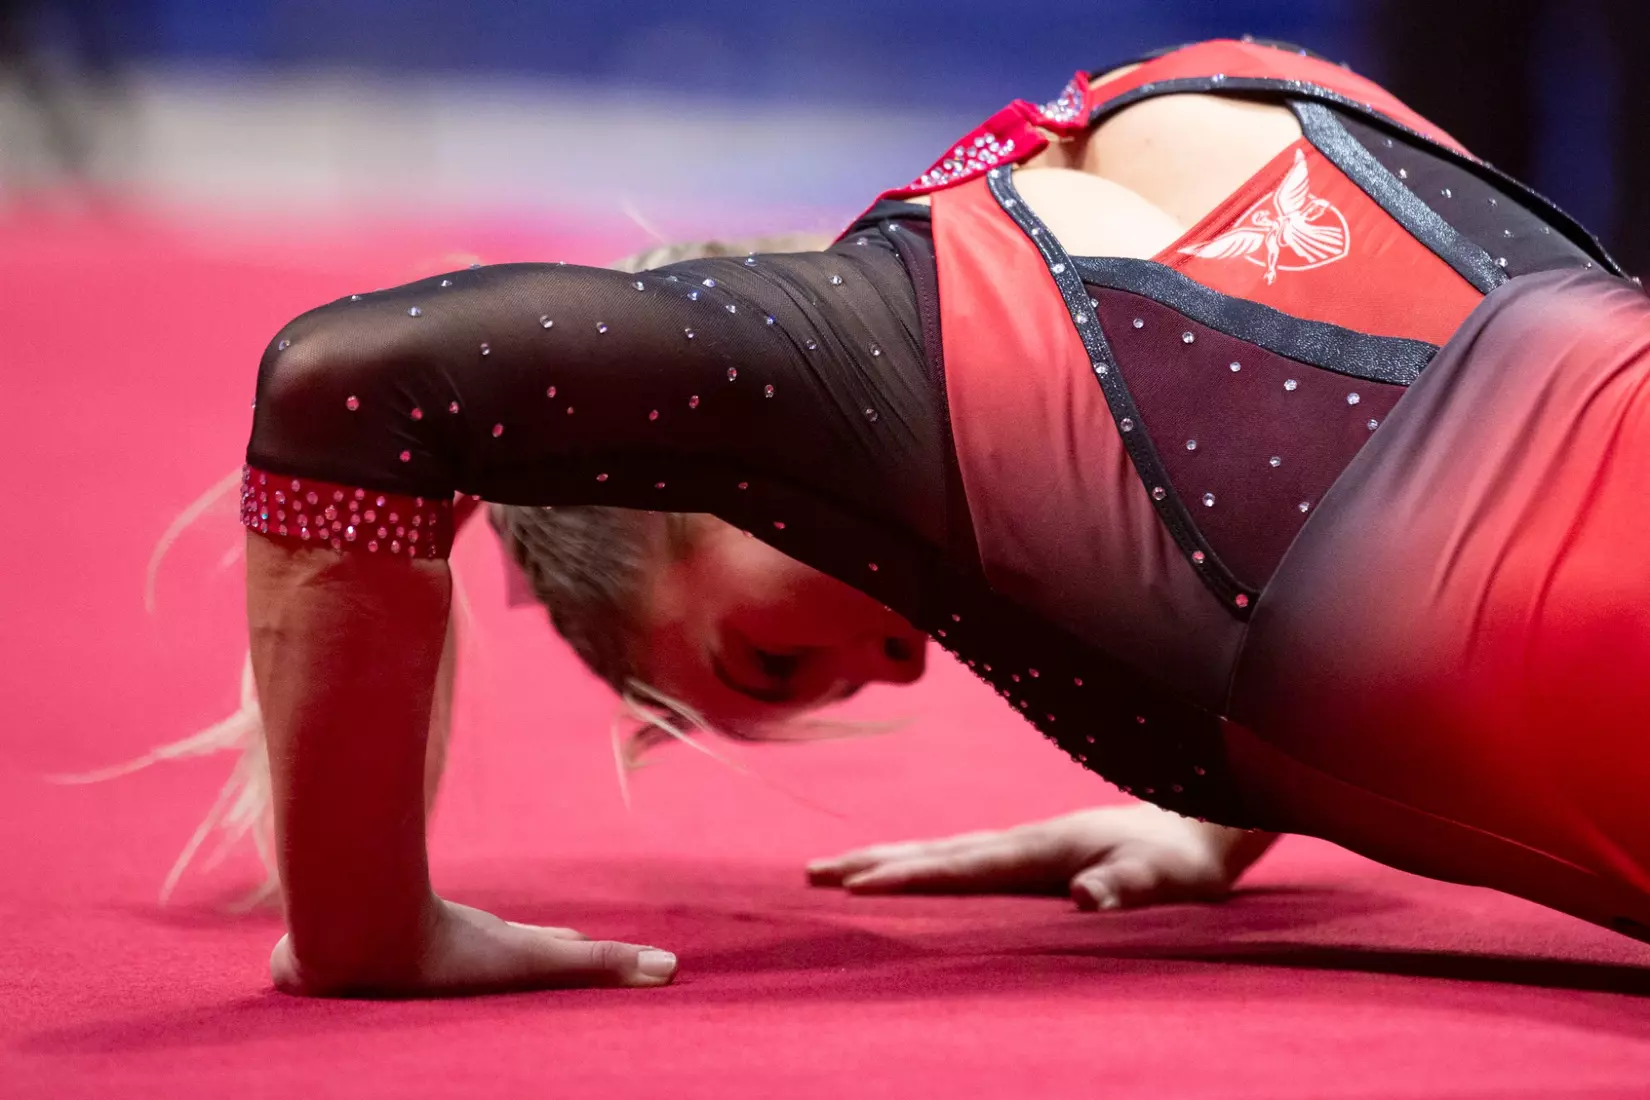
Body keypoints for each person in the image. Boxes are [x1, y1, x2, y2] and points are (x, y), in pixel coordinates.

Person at [241, 37, 1645, 998]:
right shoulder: (1184, 93)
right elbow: (1399, 399)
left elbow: (350, 385)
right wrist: (1218, 802)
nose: (899, 667)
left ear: (662, 474)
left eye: (767, 666)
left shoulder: (865, 360)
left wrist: (364, 929)